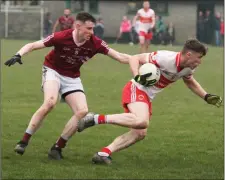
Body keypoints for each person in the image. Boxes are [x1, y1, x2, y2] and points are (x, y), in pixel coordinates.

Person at [4, 12, 131, 160]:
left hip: (72, 77)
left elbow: (121, 57)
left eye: (92, 29)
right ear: (77, 26)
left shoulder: (96, 43)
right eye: (88, 28)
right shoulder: (61, 37)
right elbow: (33, 45)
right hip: (53, 70)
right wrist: (18, 54)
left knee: (82, 111)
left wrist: (146, 59)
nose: (91, 32)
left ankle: (57, 148)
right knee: (50, 102)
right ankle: (24, 141)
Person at [77, 38, 223, 165]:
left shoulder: (188, 68)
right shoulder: (165, 58)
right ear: (189, 54)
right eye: (199, 57)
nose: (200, 62)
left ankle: (103, 154)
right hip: (137, 89)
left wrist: (205, 96)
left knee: (140, 133)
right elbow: (134, 58)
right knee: (142, 121)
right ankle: (94, 118)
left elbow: (190, 82)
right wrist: (137, 75)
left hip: (147, 97)